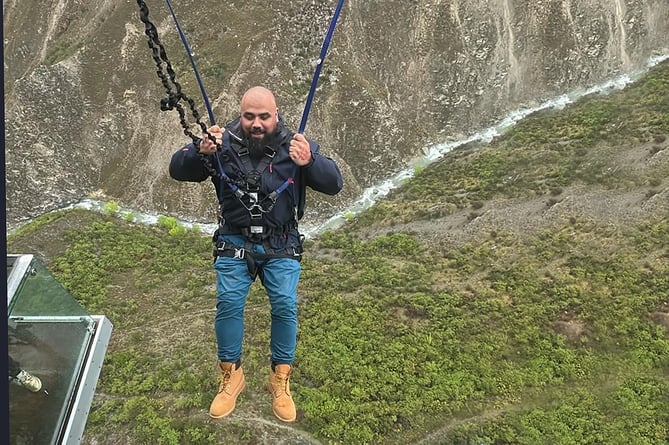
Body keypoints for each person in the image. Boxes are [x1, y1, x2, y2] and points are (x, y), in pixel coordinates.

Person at [169, 86, 343, 422]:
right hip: (235, 239)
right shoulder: (222, 142)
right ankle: (232, 375)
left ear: (276, 114)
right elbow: (178, 170)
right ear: (241, 115)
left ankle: (280, 378)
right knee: (230, 303)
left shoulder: (295, 144)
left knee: (284, 304)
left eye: (264, 116)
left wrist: (310, 161)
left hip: (281, 241)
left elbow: (333, 183)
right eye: (250, 116)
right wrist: (199, 151)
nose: (257, 123)